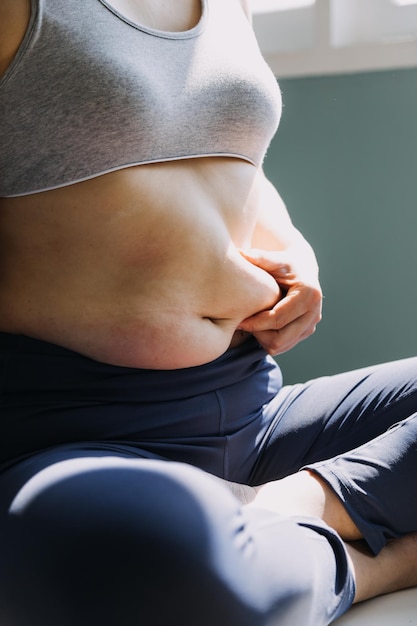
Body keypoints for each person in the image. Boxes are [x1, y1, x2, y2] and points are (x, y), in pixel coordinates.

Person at [0, 1, 416, 624]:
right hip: (71, 431)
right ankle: (379, 566)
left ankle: (304, 505)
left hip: (256, 410)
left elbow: (224, 152)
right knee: (143, 563)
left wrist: (292, 249)